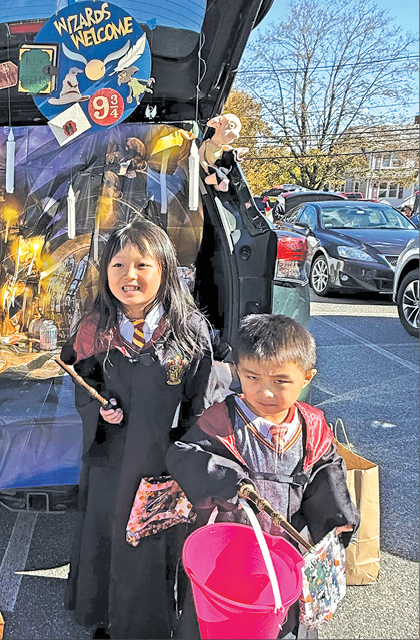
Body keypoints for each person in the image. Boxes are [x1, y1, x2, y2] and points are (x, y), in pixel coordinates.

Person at [60, 220, 215, 639]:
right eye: (118, 264)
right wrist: (100, 411)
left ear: (165, 269)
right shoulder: (95, 328)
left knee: (152, 544)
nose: (129, 275)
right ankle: (105, 618)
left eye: (142, 264)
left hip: (161, 464)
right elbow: (83, 384)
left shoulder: (188, 331)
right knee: (107, 535)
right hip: (110, 461)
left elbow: (199, 404)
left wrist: (187, 462)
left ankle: (149, 624)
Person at [167, 313, 358, 639]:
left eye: (280, 381)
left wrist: (338, 521)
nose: (265, 392)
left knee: (279, 619)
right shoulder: (222, 420)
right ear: (238, 371)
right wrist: (227, 479)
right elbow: (183, 455)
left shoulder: (312, 429)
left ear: (307, 378)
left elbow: (328, 475)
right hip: (229, 549)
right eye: (252, 377)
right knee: (221, 621)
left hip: (285, 552)